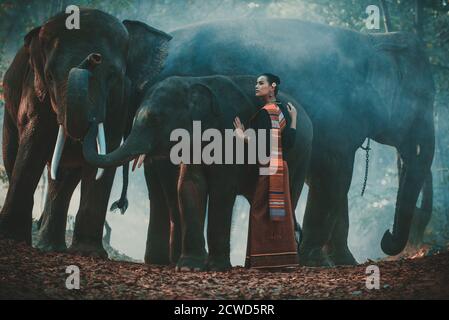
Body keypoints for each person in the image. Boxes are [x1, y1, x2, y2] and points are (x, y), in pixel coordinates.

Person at [233, 73, 299, 269]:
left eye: (261, 83)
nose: (256, 86)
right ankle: (283, 258)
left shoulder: (263, 113)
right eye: (256, 83)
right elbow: (288, 144)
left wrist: (241, 135)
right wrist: (294, 118)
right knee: (280, 212)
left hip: (268, 167)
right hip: (281, 168)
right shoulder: (279, 112)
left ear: (273, 87)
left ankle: (262, 259)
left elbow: (260, 144)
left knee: (260, 210)